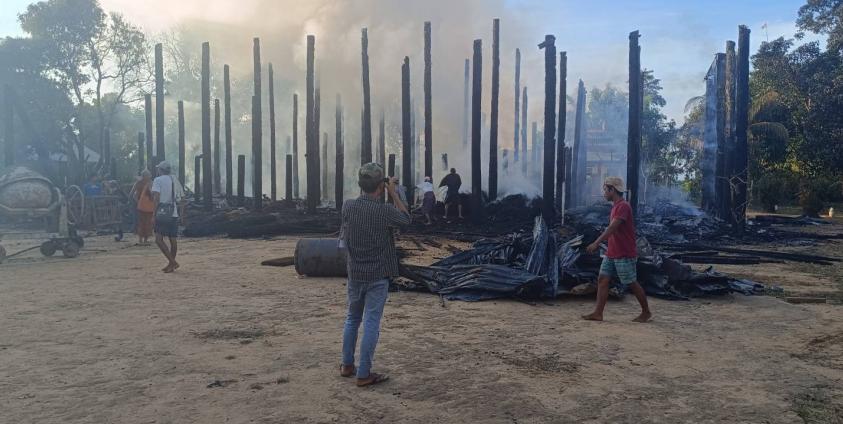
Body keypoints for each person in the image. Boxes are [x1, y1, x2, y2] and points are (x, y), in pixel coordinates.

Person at [340, 163, 411, 387]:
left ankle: (347, 365)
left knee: (352, 319)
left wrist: (381, 187)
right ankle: (364, 373)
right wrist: (394, 192)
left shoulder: (348, 206)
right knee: (371, 322)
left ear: (360, 184)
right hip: (377, 275)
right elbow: (406, 219)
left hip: (355, 273)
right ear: (380, 186)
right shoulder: (385, 211)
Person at [583, 177, 652, 322]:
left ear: (612, 189)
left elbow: (613, 228)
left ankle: (646, 312)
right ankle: (598, 313)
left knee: (631, 282)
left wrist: (596, 243)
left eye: (605, 190)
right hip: (613, 251)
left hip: (624, 253)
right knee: (603, 279)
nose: (604, 193)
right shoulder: (616, 206)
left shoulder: (623, 206)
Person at [151, 161, 185, 273]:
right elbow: (182, 199)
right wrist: (182, 214)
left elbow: (156, 198)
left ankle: (173, 262)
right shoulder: (174, 179)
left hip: (162, 213)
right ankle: (171, 264)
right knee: (172, 239)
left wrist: (153, 214)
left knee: (158, 239)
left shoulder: (157, 180)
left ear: (160, 170)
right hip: (173, 212)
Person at [132, 170, 155, 245]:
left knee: (142, 223)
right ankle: (144, 239)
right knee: (147, 223)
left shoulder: (139, 183)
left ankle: (142, 239)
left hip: (142, 206)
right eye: (148, 175)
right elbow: (153, 195)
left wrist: (138, 202)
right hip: (148, 206)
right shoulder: (151, 183)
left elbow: (133, 194)